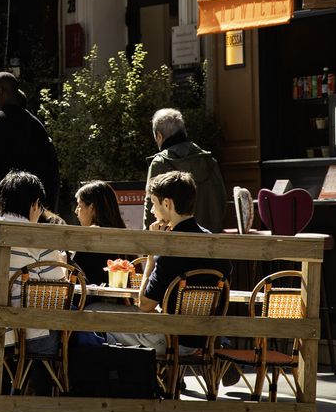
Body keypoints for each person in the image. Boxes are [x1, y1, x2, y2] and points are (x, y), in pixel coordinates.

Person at [105, 171, 231, 353]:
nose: (151, 210)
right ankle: (169, 380)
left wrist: (152, 254)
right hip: (207, 340)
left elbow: (145, 304)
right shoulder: (213, 242)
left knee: (95, 313)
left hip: (171, 340)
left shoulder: (170, 249)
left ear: (167, 203)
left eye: (153, 203)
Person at [0, 171, 67, 354]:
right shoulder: (40, 238)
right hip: (33, 334)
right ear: (35, 205)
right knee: (73, 335)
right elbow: (58, 289)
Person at [0, 72, 59, 211]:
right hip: (35, 212)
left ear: (0, 92)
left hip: (0, 211)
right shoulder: (36, 126)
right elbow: (50, 174)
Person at [142, 108, 229, 233]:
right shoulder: (209, 161)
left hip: (173, 243)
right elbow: (221, 202)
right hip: (209, 240)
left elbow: (151, 210)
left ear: (159, 136)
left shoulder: (160, 163)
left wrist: (147, 244)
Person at [70, 180, 127, 286]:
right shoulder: (121, 232)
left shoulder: (91, 235)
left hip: (88, 299)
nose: (76, 211)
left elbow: (74, 273)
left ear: (92, 207)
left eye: (79, 205)